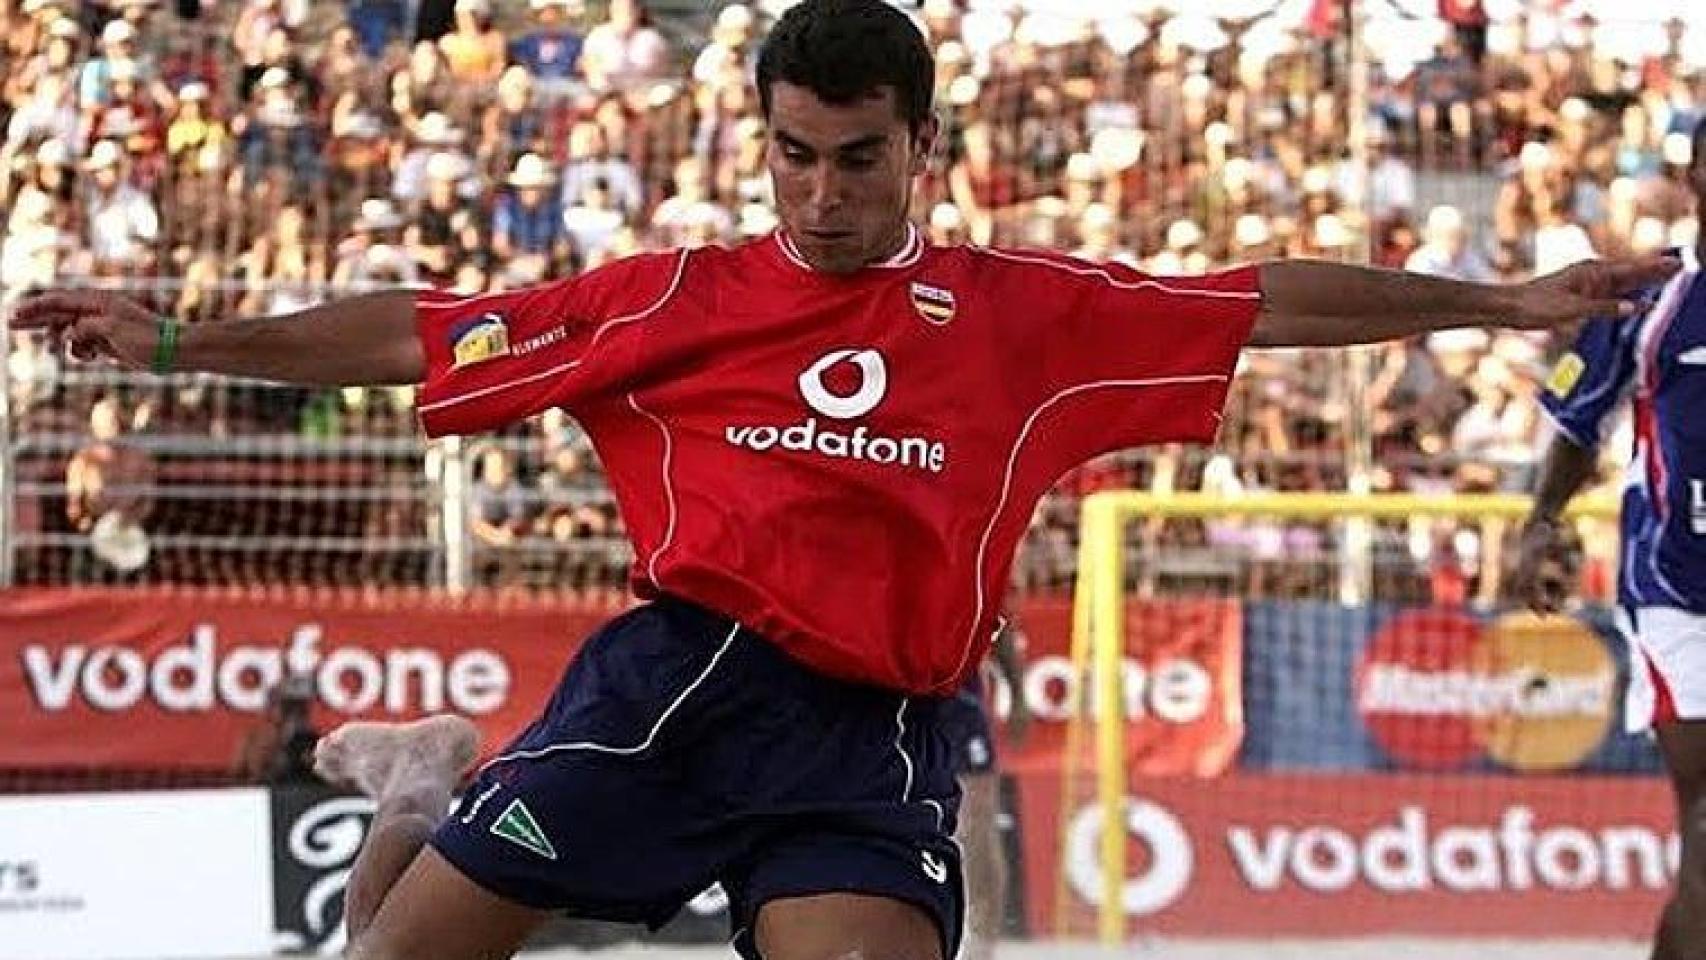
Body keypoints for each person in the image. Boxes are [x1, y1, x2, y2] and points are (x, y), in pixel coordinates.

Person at [13, 2, 1678, 958]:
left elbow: (1267, 302)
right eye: (795, 159)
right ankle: (411, 795)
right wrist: (177, 341)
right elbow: (418, 337)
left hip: (870, 738)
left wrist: (1503, 300)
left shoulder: (1027, 316)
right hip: (673, 691)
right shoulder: (676, 298)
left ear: (921, 151)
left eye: (858, 160)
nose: (823, 197)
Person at [1513, 117, 1706, 960]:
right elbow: (1576, 423)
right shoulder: (1652, 291)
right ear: (1695, 176)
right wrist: (1542, 523)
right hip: (1679, 594)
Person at [941, 612, 1028, 960]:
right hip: (897, 693)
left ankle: (982, 945)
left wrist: (1018, 694)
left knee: (977, 822)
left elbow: (998, 613)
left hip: (957, 696)